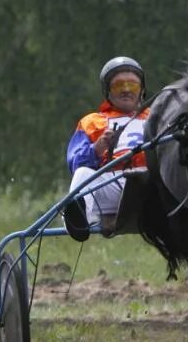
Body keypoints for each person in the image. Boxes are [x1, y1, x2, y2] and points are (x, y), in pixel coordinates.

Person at [63, 57, 150, 242]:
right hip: (113, 185)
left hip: (152, 184)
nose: (126, 90)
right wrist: (98, 147)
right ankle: (78, 221)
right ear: (108, 92)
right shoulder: (92, 122)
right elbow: (75, 162)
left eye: (132, 85)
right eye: (119, 86)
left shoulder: (158, 116)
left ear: (142, 91)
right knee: (82, 173)